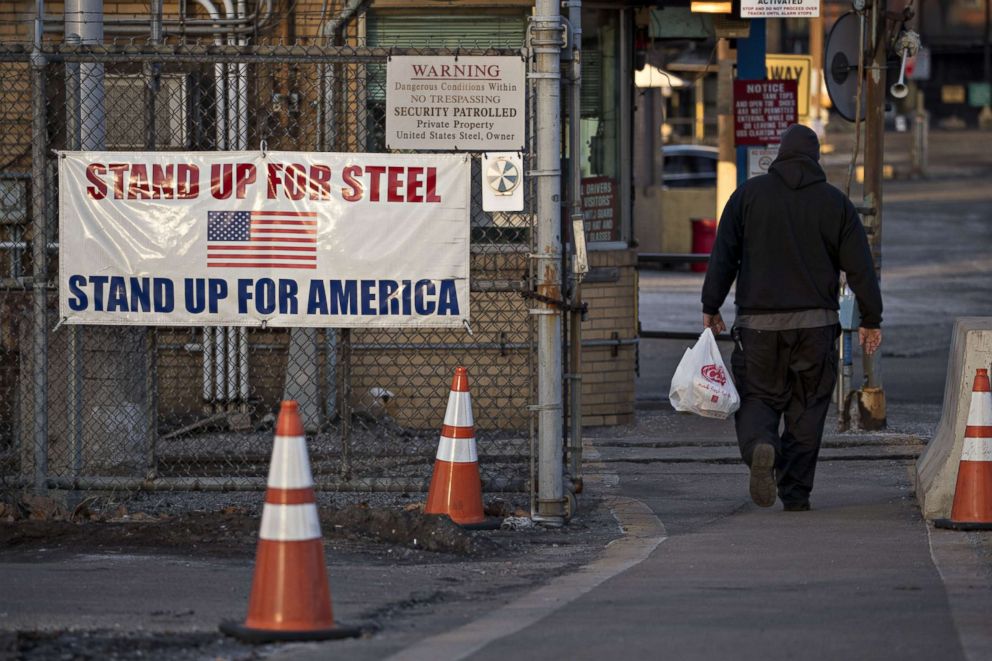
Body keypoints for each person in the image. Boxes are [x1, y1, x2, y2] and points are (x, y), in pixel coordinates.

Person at [700, 124, 883, 511]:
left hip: (758, 326)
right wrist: (871, 318)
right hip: (816, 327)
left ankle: (761, 446)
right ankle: (796, 493)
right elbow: (860, 267)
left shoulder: (748, 196)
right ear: (815, 158)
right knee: (808, 407)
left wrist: (710, 305)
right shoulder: (834, 203)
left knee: (757, 400)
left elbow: (724, 255)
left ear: (780, 155)